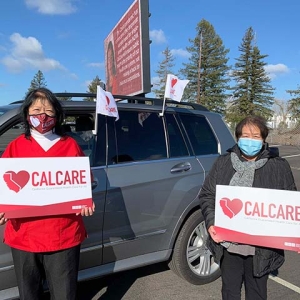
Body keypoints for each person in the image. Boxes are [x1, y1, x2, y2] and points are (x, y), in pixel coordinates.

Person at [0, 87, 95, 300]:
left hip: (63, 235)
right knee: (28, 295)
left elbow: (84, 181)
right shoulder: (15, 147)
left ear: (57, 115)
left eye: (49, 111)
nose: (42, 116)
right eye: (36, 110)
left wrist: (85, 200)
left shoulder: (70, 146)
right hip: (24, 235)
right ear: (27, 114)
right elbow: (4, 188)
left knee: (64, 294)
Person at [199, 115, 296, 300]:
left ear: (264, 139)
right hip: (227, 244)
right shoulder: (223, 162)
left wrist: (293, 235)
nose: (250, 140)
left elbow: (289, 204)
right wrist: (211, 222)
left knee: (257, 293)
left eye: (255, 136)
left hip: (261, 248)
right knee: (229, 292)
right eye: (245, 135)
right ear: (237, 137)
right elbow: (207, 195)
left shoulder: (278, 166)